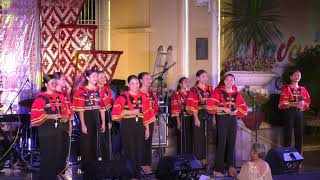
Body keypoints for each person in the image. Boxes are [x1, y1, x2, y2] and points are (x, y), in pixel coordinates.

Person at [112, 75, 155, 178]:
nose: (135, 85)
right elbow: (115, 114)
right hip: (127, 126)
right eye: (132, 83)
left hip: (140, 126)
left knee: (139, 149)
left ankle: (137, 173)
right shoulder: (122, 97)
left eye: (137, 83)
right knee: (129, 150)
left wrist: (147, 129)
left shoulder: (143, 97)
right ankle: (129, 174)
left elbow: (147, 114)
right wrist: (130, 111)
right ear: (128, 85)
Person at [30, 74, 71, 180]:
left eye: (55, 83)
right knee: (48, 157)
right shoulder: (41, 98)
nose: (54, 85)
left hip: (58, 130)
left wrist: (64, 117)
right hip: (46, 132)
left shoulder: (58, 97)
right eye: (51, 83)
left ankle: (54, 176)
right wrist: (49, 116)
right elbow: (35, 115)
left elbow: (65, 111)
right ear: (47, 84)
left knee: (56, 155)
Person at [211, 73, 247, 177]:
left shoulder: (237, 94)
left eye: (231, 80)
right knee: (221, 144)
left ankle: (230, 167)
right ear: (224, 81)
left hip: (233, 120)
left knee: (232, 144)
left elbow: (243, 110)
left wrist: (235, 111)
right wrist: (223, 108)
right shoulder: (218, 92)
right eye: (227, 80)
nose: (229, 82)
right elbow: (210, 106)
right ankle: (218, 169)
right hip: (222, 119)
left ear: (234, 82)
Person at [72, 69, 106, 170]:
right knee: (86, 143)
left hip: (97, 117)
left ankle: (94, 164)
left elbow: (102, 108)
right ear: (87, 78)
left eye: (96, 76)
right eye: (93, 76)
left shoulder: (99, 91)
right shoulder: (82, 91)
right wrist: (83, 124)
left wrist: (103, 122)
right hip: (87, 117)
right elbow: (81, 110)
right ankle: (86, 165)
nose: (96, 78)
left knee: (96, 142)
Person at [186, 70, 215, 164]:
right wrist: (196, 118)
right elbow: (192, 104)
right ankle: (197, 161)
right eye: (203, 76)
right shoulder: (194, 89)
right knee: (198, 138)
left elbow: (213, 103)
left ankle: (205, 160)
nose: (205, 78)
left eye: (206, 76)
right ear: (198, 78)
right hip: (198, 114)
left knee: (206, 138)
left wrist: (214, 116)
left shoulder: (210, 89)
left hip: (208, 114)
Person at [278, 69, 311, 154]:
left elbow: (307, 101)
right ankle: (287, 158)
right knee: (288, 135)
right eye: (295, 75)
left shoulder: (303, 89)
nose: (297, 77)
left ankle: (298, 158)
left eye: (298, 75)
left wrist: (303, 103)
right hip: (289, 112)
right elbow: (282, 102)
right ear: (291, 77)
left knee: (299, 135)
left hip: (299, 113)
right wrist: (295, 104)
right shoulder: (287, 88)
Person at [53, 72, 74, 175]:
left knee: (65, 148)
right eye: (62, 79)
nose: (64, 81)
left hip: (66, 125)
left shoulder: (65, 94)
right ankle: (55, 171)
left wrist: (70, 126)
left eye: (65, 79)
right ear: (56, 80)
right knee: (57, 148)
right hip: (56, 125)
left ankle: (62, 170)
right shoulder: (52, 94)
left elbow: (69, 111)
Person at [138, 72, 159, 174]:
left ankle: (147, 164)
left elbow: (154, 109)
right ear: (141, 81)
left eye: (150, 79)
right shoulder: (137, 93)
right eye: (146, 79)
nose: (149, 80)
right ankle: (142, 165)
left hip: (151, 121)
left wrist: (155, 123)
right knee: (141, 143)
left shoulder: (152, 92)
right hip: (140, 121)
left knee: (148, 144)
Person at [171, 77, 193, 154]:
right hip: (181, 119)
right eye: (185, 82)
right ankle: (181, 158)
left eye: (188, 81)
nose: (187, 83)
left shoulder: (189, 93)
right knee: (181, 140)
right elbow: (175, 109)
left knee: (189, 139)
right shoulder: (176, 95)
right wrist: (178, 121)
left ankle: (188, 158)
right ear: (180, 84)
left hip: (190, 118)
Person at [97, 70, 114, 160]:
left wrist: (109, 120)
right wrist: (103, 122)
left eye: (105, 77)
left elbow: (109, 108)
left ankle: (106, 162)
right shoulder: (95, 90)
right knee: (98, 141)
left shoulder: (107, 90)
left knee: (106, 141)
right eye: (101, 77)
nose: (104, 79)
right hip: (97, 116)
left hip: (106, 116)